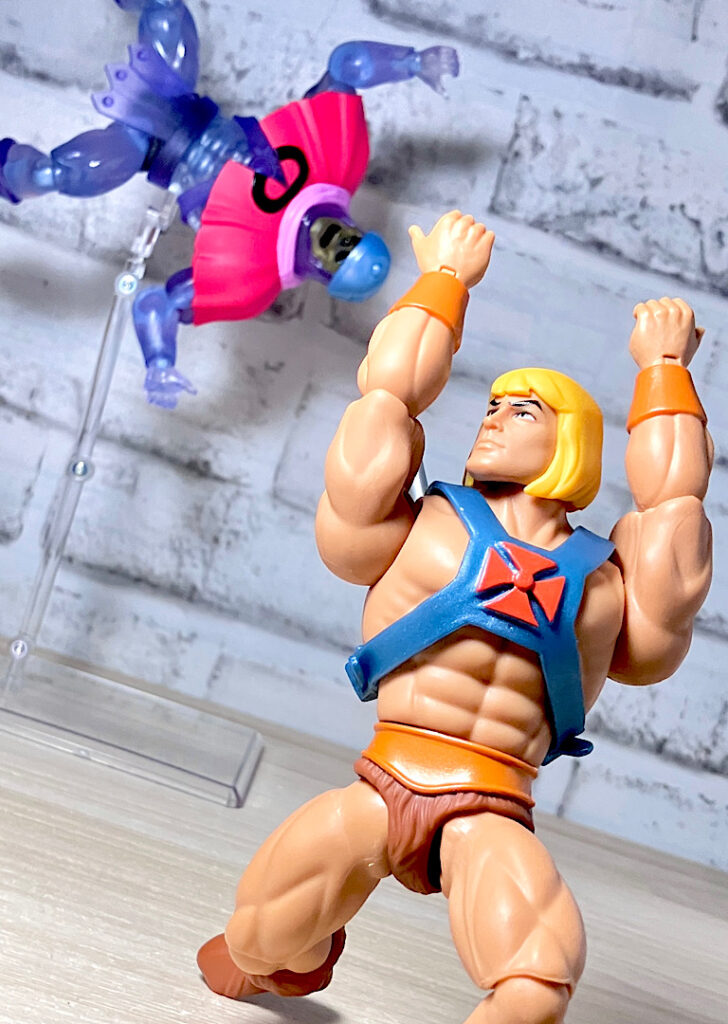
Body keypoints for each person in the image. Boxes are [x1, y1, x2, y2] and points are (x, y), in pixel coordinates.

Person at [196, 211, 712, 1023]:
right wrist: (444, 283)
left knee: (537, 980)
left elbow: (676, 504)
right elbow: (385, 399)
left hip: (491, 807)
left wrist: (665, 372)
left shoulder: (607, 587)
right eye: (493, 405)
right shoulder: (421, 526)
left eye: (523, 411)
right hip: (381, 783)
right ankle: (291, 961)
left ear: (571, 445)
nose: (492, 418)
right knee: (254, 943)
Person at [0, 0, 458, 407]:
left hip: (144, 153)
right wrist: (412, 62)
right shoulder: (333, 164)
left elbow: (157, 305)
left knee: (50, 175)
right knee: (167, 8)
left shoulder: (253, 279)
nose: (337, 241)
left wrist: (159, 363)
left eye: (338, 256)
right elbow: (346, 67)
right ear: (357, 227)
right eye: (352, 240)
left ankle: (10, 170)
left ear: (324, 274)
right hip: (180, 96)